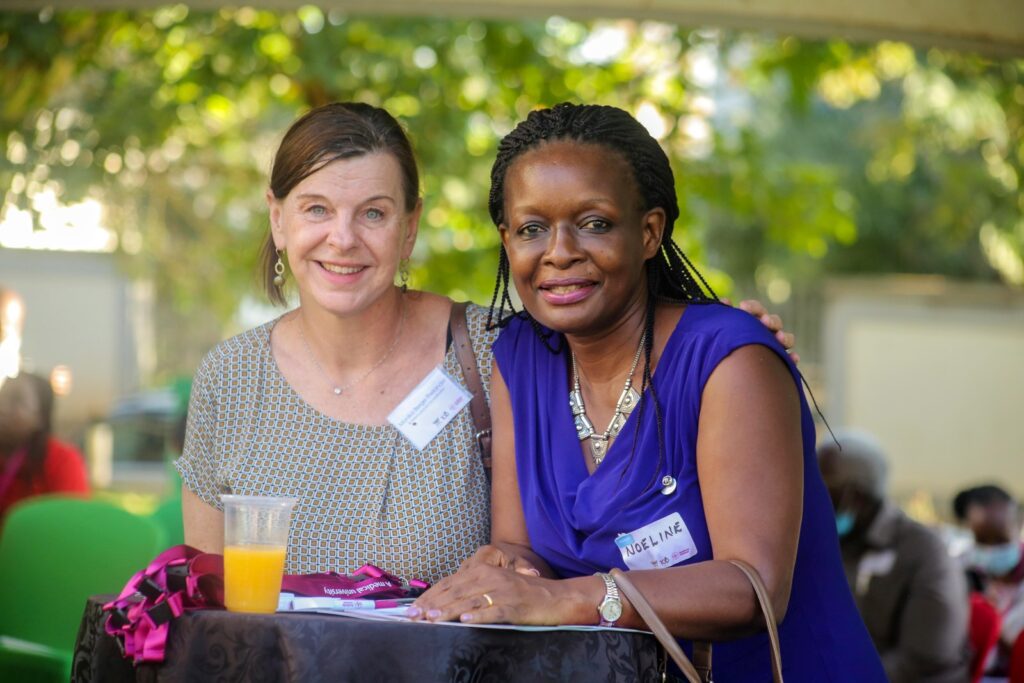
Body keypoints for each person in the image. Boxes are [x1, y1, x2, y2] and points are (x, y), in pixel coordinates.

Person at [178, 102, 795, 583]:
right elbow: (206, 602)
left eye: (373, 213)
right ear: (277, 218)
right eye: (316, 209)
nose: (342, 238)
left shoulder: (492, 349)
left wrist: (734, 346)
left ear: (410, 226)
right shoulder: (229, 379)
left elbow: (623, 338)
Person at [411, 103, 885, 681]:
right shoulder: (520, 358)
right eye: (533, 229)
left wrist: (568, 599)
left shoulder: (730, 361)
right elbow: (524, 547)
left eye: (593, 222)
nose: (559, 251)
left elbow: (754, 588)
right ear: (507, 241)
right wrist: (508, 569)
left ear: (649, 232)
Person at [818, 429, 969, 682]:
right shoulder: (828, 544)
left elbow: (925, 657)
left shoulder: (924, 552)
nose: (810, 498)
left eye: (822, 489)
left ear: (854, 496)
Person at [953, 484, 1024, 678]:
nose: (991, 549)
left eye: (1000, 539)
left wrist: (991, 623)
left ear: (1019, 525)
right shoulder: (956, 571)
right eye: (982, 539)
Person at [0, 371, 90, 519]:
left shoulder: (62, 461)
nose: (2, 408)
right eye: (2, 397)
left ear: (41, 418)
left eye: (16, 401)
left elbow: (71, 523)